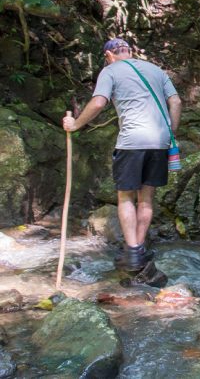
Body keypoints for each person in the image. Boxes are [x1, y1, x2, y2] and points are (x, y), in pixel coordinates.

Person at [62, 38, 181, 272]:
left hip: (132, 143)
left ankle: (133, 252)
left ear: (109, 55)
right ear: (130, 52)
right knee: (146, 197)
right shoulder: (156, 69)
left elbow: (98, 103)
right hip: (160, 141)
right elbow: (176, 101)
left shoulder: (110, 71)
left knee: (126, 197)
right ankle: (138, 250)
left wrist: (75, 125)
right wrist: (171, 131)